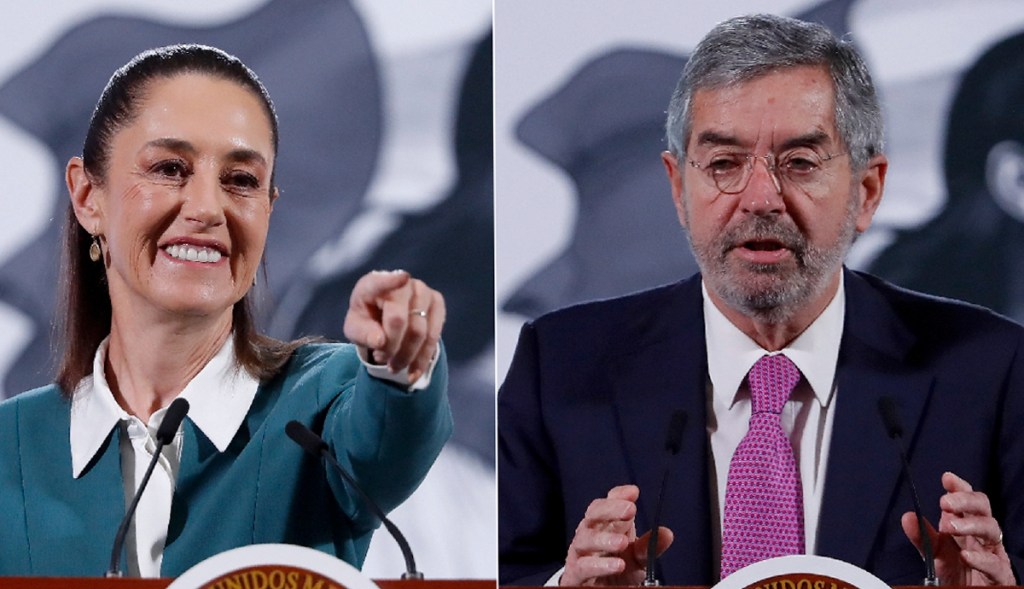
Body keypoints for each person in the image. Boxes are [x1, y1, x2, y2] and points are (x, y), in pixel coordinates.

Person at [498, 14, 1023, 587]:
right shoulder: (562, 366)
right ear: (678, 189)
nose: (760, 198)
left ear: (866, 192)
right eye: (724, 163)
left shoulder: (992, 371)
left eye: (800, 162)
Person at [0, 44, 451, 577]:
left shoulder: (325, 405)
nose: (208, 209)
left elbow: (391, 436)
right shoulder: (11, 447)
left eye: (241, 180)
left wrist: (401, 358)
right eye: (170, 168)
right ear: (86, 196)